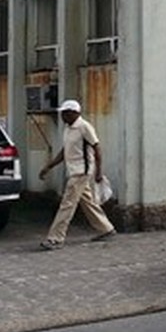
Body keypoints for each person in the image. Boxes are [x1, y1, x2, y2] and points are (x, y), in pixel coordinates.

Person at [38, 99, 116, 249]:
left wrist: (99, 172)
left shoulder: (84, 127)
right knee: (88, 202)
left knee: (67, 205)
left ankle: (55, 238)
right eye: (62, 113)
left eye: (65, 113)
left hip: (81, 172)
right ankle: (106, 229)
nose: (63, 116)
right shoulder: (68, 128)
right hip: (73, 170)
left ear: (75, 113)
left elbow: (97, 149)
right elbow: (65, 151)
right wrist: (49, 166)